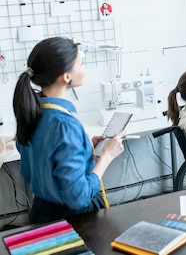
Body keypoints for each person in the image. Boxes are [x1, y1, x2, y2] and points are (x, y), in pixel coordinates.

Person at [13, 37, 126, 224]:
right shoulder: (65, 125)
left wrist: (85, 147)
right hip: (75, 220)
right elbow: (78, 197)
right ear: (67, 77)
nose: (84, 68)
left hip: (42, 213)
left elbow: (36, 166)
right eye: (81, 63)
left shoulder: (31, 113)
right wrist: (107, 156)